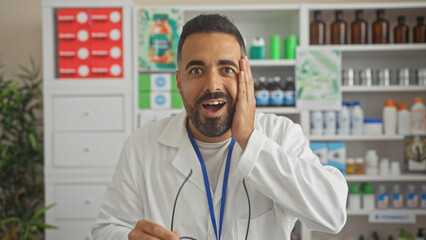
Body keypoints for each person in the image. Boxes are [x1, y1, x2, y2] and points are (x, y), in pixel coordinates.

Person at [92, 14, 348, 240]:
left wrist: (250, 140)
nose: (212, 84)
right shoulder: (142, 145)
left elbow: (332, 214)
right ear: (179, 82)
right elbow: (107, 227)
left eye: (226, 69)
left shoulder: (280, 134)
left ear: (245, 77)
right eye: (196, 70)